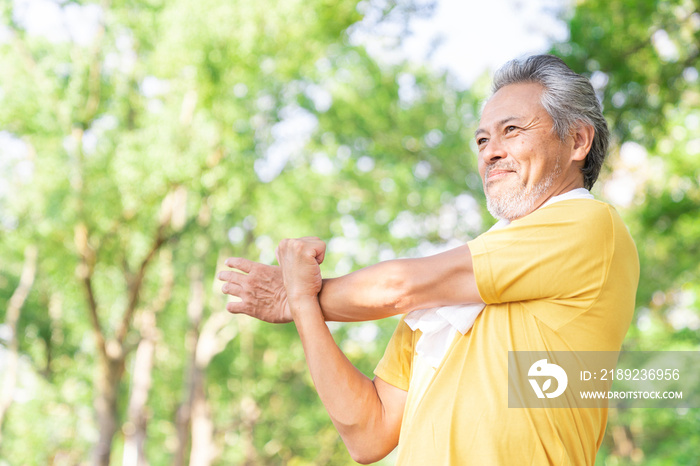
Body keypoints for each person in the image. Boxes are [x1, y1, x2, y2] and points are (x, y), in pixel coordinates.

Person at [218, 55, 639, 465]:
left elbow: (400, 287)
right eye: (482, 139)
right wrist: (304, 306)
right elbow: (369, 433)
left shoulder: (589, 224)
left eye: (511, 130)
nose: (490, 152)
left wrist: (296, 295)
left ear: (578, 141)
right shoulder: (447, 302)